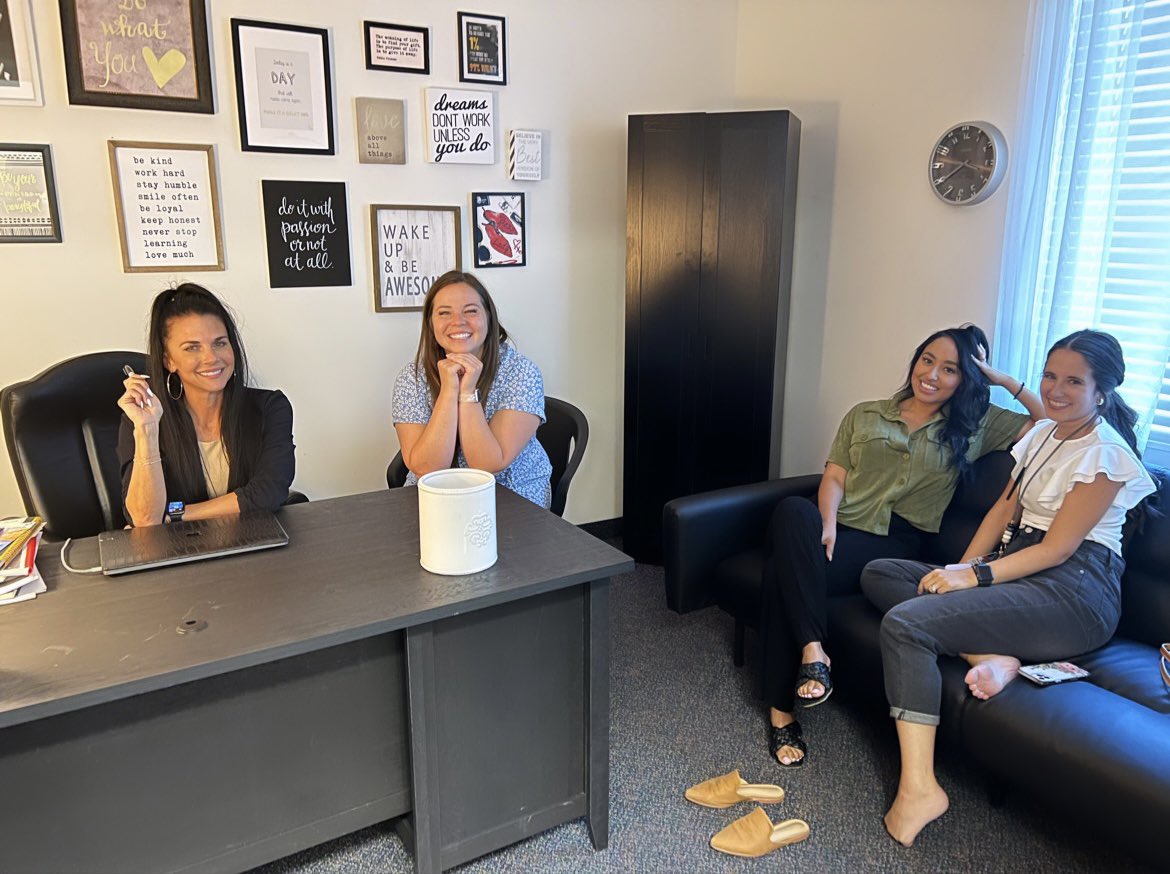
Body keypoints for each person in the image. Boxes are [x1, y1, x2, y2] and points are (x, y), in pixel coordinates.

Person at [860, 329, 1156, 847]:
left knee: (907, 624)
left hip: (1075, 592)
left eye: (1073, 381)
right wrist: (960, 566)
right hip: (1018, 566)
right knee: (882, 572)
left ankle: (920, 787)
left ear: (1101, 391)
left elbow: (1059, 549)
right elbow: (1003, 509)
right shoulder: (1043, 434)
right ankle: (990, 655)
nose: (1058, 390)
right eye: (1050, 376)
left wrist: (970, 579)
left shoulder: (1105, 454)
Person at [762, 324, 1044, 768]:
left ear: (967, 379)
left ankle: (782, 714)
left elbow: (1048, 421)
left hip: (893, 547)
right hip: (840, 530)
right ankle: (813, 651)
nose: (931, 374)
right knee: (791, 512)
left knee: (782, 575)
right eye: (927, 360)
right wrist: (828, 522)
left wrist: (1004, 380)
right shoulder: (866, 413)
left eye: (950, 369)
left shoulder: (976, 426)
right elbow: (835, 475)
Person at [117, 283, 295, 526]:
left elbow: (269, 492)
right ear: (169, 361)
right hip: (179, 553)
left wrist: (175, 515)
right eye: (192, 347)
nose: (212, 358)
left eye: (220, 343)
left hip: (254, 546)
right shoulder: (141, 420)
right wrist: (147, 429)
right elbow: (144, 518)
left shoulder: (270, 408)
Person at [392, 270, 552, 508]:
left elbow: (487, 464)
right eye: (444, 312)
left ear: (489, 318)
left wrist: (467, 392)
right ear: (431, 323)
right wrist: (448, 391)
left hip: (511, 497)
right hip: (437, 498)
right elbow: (427, 468)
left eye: (471, 311)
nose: (458, 321)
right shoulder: (412, 377)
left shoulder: (521, 372)